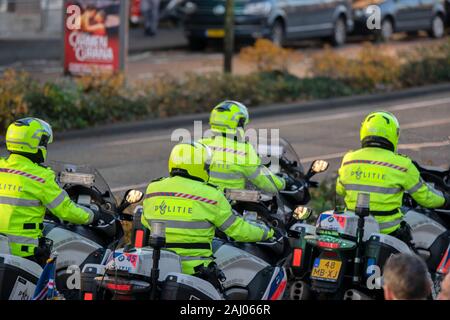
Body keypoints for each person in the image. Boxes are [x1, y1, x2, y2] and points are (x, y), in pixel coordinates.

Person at [141, 141, 274, 286]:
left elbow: (145, 221)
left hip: (159, 267)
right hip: (195, 272)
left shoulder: (153, 189)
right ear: (200, 167)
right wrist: (266, 232)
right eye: (206, 166)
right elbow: (239, 231)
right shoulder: (211, 195)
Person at [0, 118, 100, 266]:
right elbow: (66, 210)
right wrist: (92, 215)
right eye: (44, 142)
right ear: (35, 144)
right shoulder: (40, 177)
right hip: (23, 255)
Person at [336, 111, 449, 238]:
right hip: (387, 233)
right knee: (414, 251)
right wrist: (445, 199)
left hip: (351, 230)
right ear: (393, 135)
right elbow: (427, 198)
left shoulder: (349, 159)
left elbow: (340, 190)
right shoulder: (402, 164)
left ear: (363, 132)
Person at [199, 101, 286, 194]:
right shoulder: (244, 151)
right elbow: (266, 182)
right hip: (231, 204)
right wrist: (282, 183)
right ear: (239, 123)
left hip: (203, 200)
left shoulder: (199, 145)